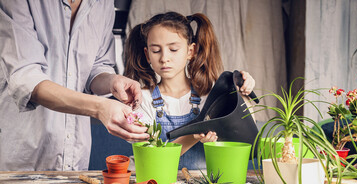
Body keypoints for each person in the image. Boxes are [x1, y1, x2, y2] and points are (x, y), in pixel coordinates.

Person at [0, 0, 149, 171]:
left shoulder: (103, 4)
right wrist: (99, 108)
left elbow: (96, 66)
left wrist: (112, 81)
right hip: (23, 155)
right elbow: (27, 79)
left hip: (75, 156)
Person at [124, 12, 255, 169]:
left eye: (173, 49)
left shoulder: (210, 93)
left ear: (190, 52)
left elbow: (242, 138)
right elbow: (153, 158)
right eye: (156, 50)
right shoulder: (143, 99)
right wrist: (193, 135)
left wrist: (243, 92)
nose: (164, 58)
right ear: (147, 55)